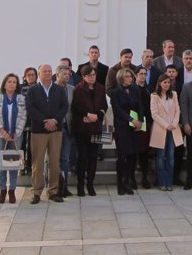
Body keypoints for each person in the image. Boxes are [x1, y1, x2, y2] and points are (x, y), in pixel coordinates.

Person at [25, 63, 68, 204]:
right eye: (45, 71)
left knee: (54, 162)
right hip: (39, 131)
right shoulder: (32, 90)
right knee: (37, 162)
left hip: (56, 130)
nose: (48, 73)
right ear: (39, 74)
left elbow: (64, 106)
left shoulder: (59, 89)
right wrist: (45, 121)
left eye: (50, 71)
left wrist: (55, 120)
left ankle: (53, 191)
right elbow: (30, 109)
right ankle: (37, 192)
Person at [71, 65, 107, 196]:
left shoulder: (100, 88)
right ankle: (80, 185)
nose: (92, 77)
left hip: (96, 127)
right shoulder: (78, 89)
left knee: (93, 157)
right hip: (82, 128)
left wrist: (98, 116)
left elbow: (104, 106)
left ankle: (90, 184)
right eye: (89, 75)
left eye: (94, 75)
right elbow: (75, 107)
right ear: (84, 77)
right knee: (83, 157)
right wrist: (86, 114)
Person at [0, 73, 27, 204]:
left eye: (14, 82)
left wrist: (16, 132)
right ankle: (2, 190)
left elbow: (24, 116)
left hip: (16, 135)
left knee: (14, 162)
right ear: (4, 84)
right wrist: (2, 130)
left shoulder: (21, 99)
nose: (12, 84)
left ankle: (12, 190)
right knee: (1, 162)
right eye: (9, 82)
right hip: (1, 135)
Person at [111, 67, 144, 195]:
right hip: (122, 127)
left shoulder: (135, 90)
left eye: (131, 76)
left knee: (132, 155)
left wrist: (140, 121)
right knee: (123, 156)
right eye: (127, 77)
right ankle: (120, 184)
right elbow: (118, 110)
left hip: (135, 127)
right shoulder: (115, 92)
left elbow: (140, 106)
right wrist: (131, 119)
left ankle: (127, 182)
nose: (130, 78)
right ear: (121, 78)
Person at [150, 74, 183, 191]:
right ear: (160, 83)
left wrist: (174, 123)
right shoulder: (154, 96)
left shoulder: (173, 94)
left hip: (173, 129)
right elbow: (154, 114)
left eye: (168, 83)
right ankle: (162, 182)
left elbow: (177, 110)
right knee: (160, 156)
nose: (167, 84)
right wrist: (166, 125)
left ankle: (169, 182)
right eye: (165, 82)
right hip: (161, 129)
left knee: (171, 156)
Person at [54, 64, 75, 197]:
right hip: (54, 129)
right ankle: (53, 187)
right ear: (57, 75)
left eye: (69, 74)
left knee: (65, 159)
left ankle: (64, 187)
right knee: (52, 159)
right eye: (64, 74)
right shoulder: (51, 88)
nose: (67, 76)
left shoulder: (72, 89)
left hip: (67, 128)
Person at [134, 66, 153, 189]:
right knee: (134, 150)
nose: (142, 76)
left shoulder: (149, 89)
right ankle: (132, 179)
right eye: (140, 74)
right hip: (135, 122)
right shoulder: (132, 89)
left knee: (144, 151)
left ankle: (145, 177)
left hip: (147, 122)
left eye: (145, 74)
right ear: (136, 75)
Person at [20, 67, 37, 175]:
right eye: (28, 75)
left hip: (34, 119)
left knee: (32, 145)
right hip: (21, 119)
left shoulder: (39, 87)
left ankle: (30, 166)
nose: (31, 77)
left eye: (33, 75)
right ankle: (21, 167)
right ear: (25, 77)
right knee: (21, 144)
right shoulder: (20, 88)